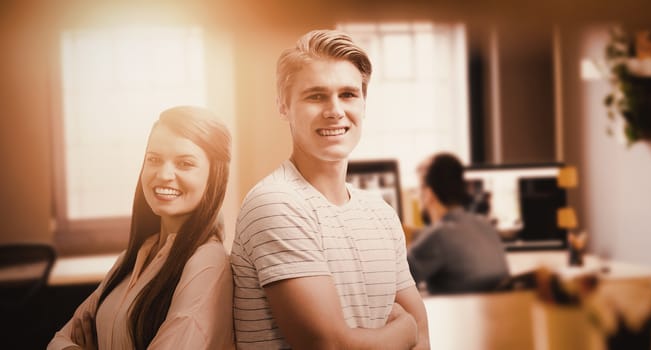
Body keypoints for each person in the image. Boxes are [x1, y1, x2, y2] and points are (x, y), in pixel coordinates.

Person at [231, 29, 430, 349]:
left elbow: (423, 336)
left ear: (364, 104)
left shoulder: (380, 213)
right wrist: (404, 331)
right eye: (316, 96)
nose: (335, 110)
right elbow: (329, 345)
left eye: (348, 94)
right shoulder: (276, 203)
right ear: (283, 107)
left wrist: (413, 331)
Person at [48, 106, 235, 350]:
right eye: (154, 159)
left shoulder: (207, 263)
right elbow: (58, 341)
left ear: (214, 176)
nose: (164, 174)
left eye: (185, 163)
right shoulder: (134, 256)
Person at [408, 153, 510, 295]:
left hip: (455, 316)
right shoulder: (486, 226)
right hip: (492, 314)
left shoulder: (439, 236)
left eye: (418, 191)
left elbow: (392, 284)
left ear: (428, 194)